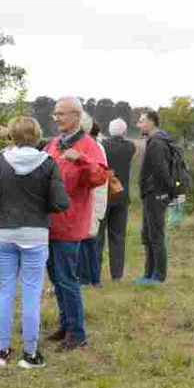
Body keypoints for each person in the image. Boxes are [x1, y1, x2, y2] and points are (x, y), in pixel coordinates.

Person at [0, 116, 69, 369]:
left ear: (12, 135)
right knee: (31, 293)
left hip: (4, 233)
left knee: (5, 291)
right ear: (38, 135)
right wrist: (42, 206)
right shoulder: (49, 163)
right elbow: (61, 202)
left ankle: (1, 351)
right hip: (35, 234)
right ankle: (30, 354)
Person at [45, 97, 109, 350]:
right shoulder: (52, 143)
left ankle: (77, 333)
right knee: (56, 278)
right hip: (50, 223)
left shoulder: (88, 145)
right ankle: (66, 325)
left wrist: (81, 160)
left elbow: (100, 177)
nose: (57, 118)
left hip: (70, 223)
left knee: (67, 279)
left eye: (61, 114)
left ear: (76, 117)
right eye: (55, 114)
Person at [135, 110, 177, 285]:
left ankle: (158, 276)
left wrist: (169, 193)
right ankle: (148, 273)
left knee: (156, 236)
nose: (139, 124)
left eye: (142, 121)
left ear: (152, 122)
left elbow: (162, 172)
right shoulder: (154, 141)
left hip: (156, 194)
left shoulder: (157, 143)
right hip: (151, 194)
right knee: (148, 234)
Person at [100, 118, 135, 281]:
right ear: (124, 132)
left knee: (98, 236)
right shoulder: (130, 147)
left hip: (104, 196)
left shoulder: (103, 146)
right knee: (118, 237)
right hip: (121, 196)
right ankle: (117, 274)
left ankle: (95, 272)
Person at [78, 115, 109, 287]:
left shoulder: (93, 147)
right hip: (94, 198)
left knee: (86, 240)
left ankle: (87, 278)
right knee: (90, 240)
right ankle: (93, 278)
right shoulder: (98, 146)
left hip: (91, 198)